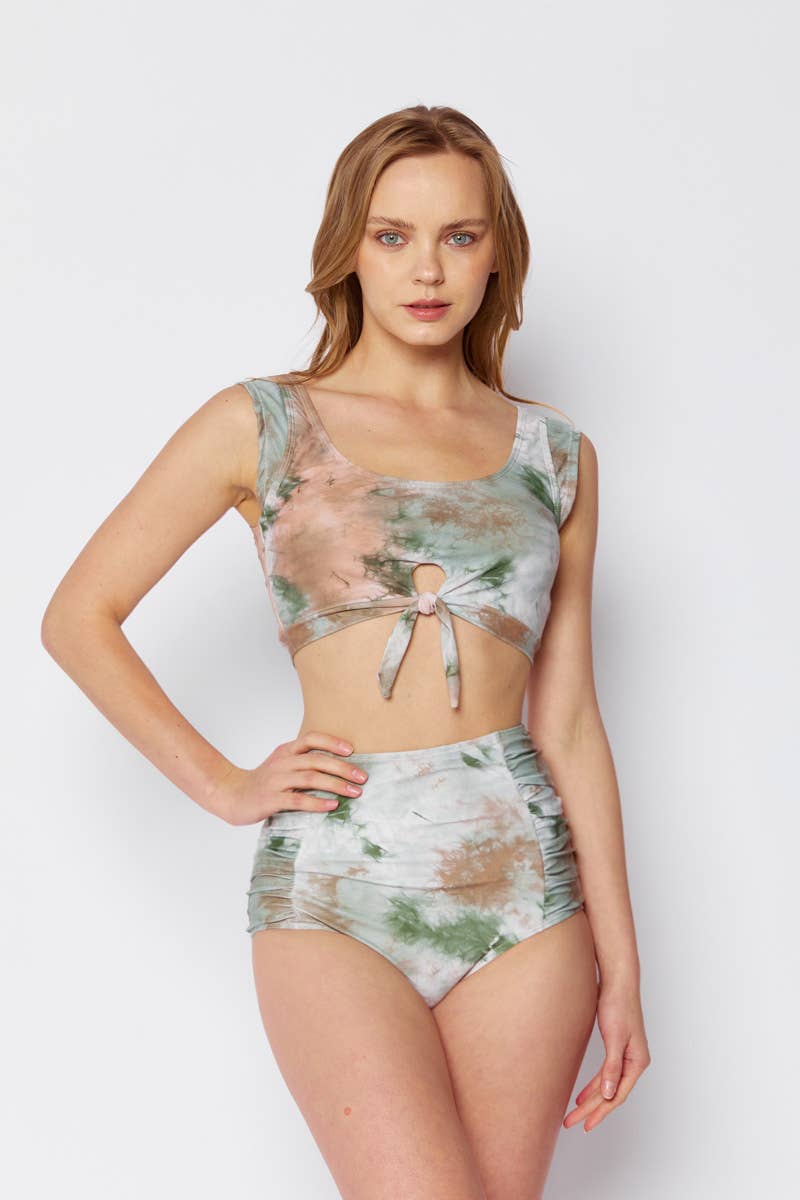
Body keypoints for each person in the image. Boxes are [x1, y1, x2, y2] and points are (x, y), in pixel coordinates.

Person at [41, 104, 650, 1200]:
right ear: (348, 249)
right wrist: (224, 784)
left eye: (459, 235)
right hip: (336, 882)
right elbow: (78, 615)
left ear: (496, 252)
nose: (427, 268)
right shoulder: (263, 423)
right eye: (392, 235)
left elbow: (567, 722)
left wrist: (624, 967)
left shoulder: (555, 453)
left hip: (526, 891)